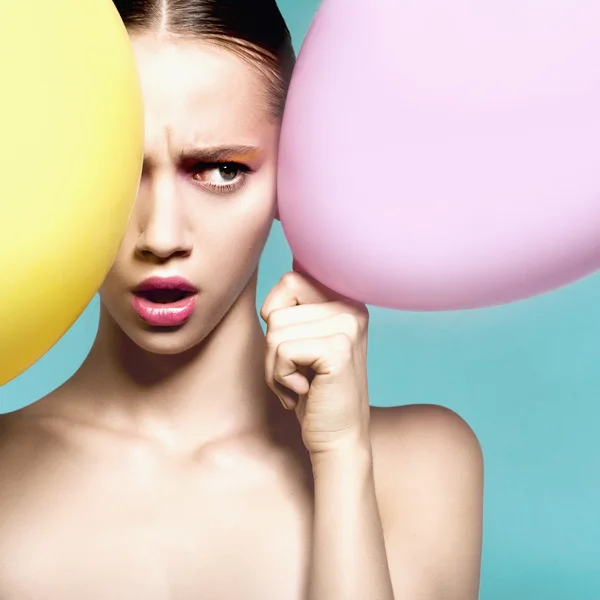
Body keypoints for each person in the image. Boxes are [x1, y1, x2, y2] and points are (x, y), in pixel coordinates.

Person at [0, 1, 483, 598]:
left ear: (296, 171)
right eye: (120, 172)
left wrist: (341, 458)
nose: (162, 236)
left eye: (221, 170)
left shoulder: (423, 466)